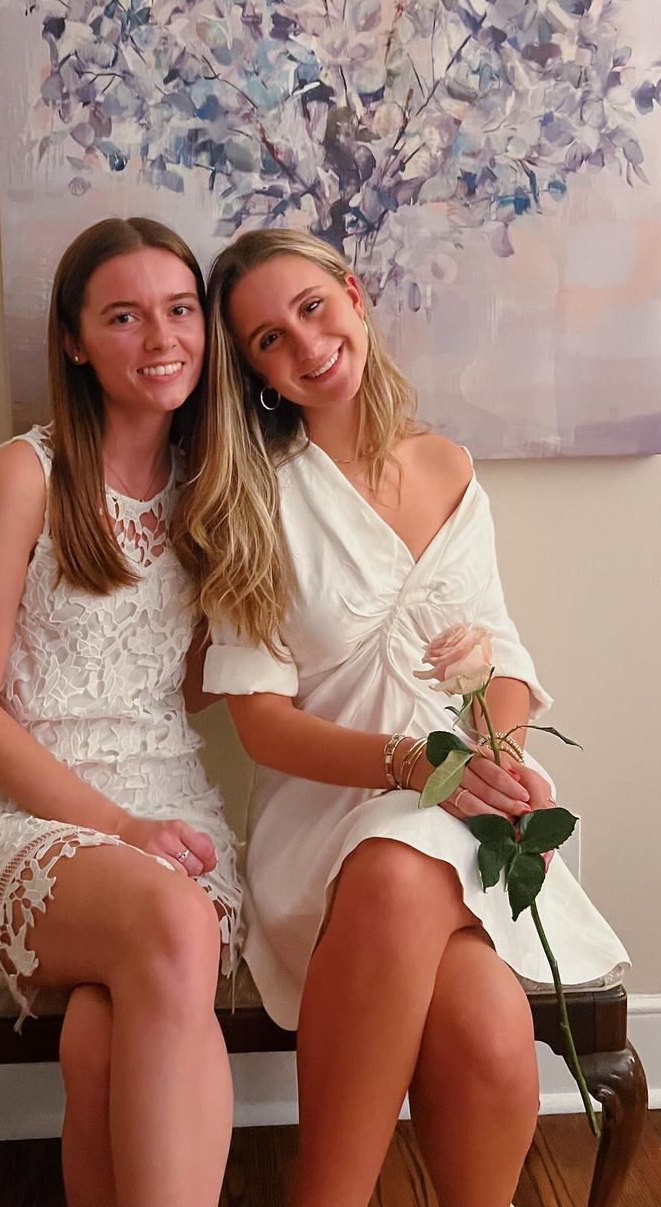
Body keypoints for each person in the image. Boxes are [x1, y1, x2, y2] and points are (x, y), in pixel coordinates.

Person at [176, 228, 628, 1207]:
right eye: (268, 339)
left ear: (354, 293)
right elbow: (261, 724)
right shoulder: (250, 499)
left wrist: (495, 758)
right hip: (333, 820)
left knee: (491, 1030)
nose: (305, 345)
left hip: (466, 808)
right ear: (253, 371)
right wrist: (415, 766)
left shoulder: (447, 466)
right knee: (391, 867)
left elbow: (499, 660)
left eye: (312, 308)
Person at [0, 217, 241, 1207]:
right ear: (73, 341)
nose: (162, 339)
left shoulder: (212, 487)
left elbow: (188, 685)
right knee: (173, 924)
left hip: (175, 810)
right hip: (23, 818)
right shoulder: (23, 475)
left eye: (181, 310)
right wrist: (118, 828)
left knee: (101, 1042)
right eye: (123, 317)